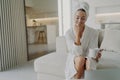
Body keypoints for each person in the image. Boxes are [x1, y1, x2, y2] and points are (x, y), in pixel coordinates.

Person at [65, 2, 103, 80]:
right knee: (81, 59)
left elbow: (92, 49)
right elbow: (76, 53)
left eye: (83, 18)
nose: (79, 21)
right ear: (74, 17)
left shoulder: (93, 32)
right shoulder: (69, 33)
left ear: (86, 18)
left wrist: (96, 56)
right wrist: (78, 35)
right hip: (75, 58)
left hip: (88, 57)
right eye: (77, 17)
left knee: (88, 61)